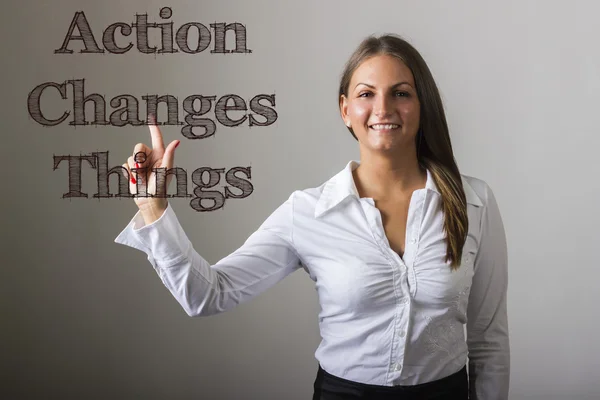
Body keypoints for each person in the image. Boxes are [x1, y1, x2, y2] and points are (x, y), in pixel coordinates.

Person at [115, 34, 509, 400]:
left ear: (422, 106)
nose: (383, 108)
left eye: (401, 93)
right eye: (366, 94)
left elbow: (488, 339)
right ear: (345, 110)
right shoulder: (307, 212)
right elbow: (209, 294)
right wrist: (153, 208)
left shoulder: (474, 203)